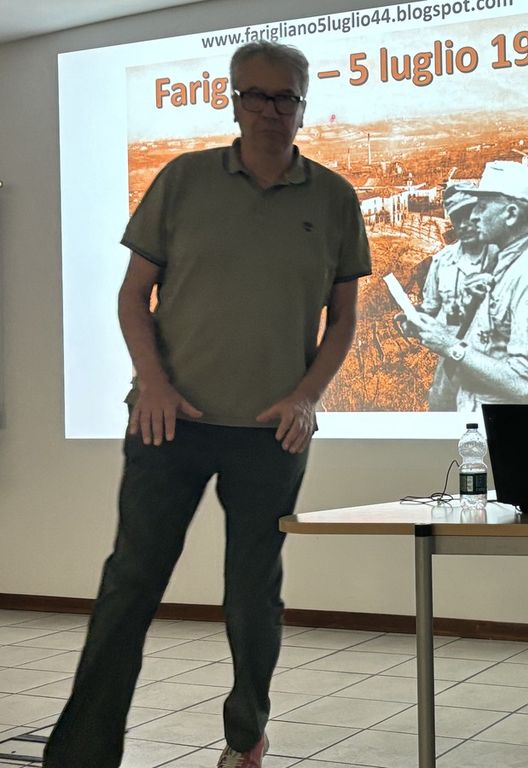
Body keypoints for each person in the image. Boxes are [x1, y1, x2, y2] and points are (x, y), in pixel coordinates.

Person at [43, 41, 371, 768]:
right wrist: (153, 383)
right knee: (130, 586)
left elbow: (344, 318)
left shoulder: (334, 198)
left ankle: (245, 736)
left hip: (272, 432)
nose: (269, 110)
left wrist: (307, 397)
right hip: (169, 422)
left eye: (284, 97)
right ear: (233, 101)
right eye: (255, 95)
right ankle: (81, 756)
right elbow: (133, 295)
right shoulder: (182, 180)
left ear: (303, 106)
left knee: (253, 598)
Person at [409, 160, 528, 410]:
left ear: (511, 214)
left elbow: (527, 382)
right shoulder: (504, 261)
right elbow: (492, 342)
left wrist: (450, 345)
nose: (474, 216)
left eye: (482, 207)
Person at [399, 182, 495, 409]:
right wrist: (412, 320)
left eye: (468, 214)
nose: (464, 223)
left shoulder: (503, 257)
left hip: (492, 368)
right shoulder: (442, 261)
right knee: (442, 416)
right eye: (456, 217)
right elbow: (431, 308)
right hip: (450, 369)